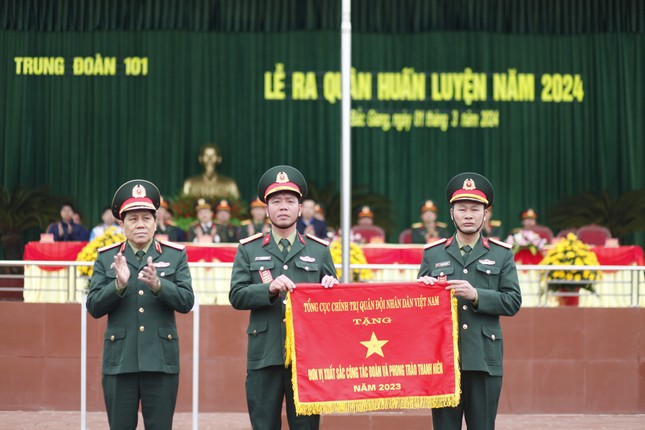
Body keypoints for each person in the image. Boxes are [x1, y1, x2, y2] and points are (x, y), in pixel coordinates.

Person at [229, 165, 338, 430]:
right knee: (263, 424)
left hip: (306, 357)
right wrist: (268, 289)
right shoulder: (249, 250)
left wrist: (331, 290)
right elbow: (237, 295)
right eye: (276, 202)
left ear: (300, 208)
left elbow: (332, 305)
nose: (283, 207)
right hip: (264, 354)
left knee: (306, 426)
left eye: (290, 201)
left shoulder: (319, 251)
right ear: (266, 210)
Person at [86, 179, 194, 430]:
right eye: (133, 219)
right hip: (120, 361)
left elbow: (186, 301)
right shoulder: (107, 257)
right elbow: (94, 306)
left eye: (146, 218)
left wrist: (159, 285)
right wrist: (118, 285)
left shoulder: (174, 255)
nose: (140, 224)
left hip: (160, 360)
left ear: (156, 222)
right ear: (121, 224)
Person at [417, 172, 522, 430]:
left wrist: (476, 295)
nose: (468, 215)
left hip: (484, 360)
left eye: (475, 209)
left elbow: (512, 301)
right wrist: (423, 292)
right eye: (462, 209)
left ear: (486, 214)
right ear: (451, 213)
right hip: (444, 361)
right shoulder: (433, 254)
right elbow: (419, 309)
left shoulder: (501, 254)